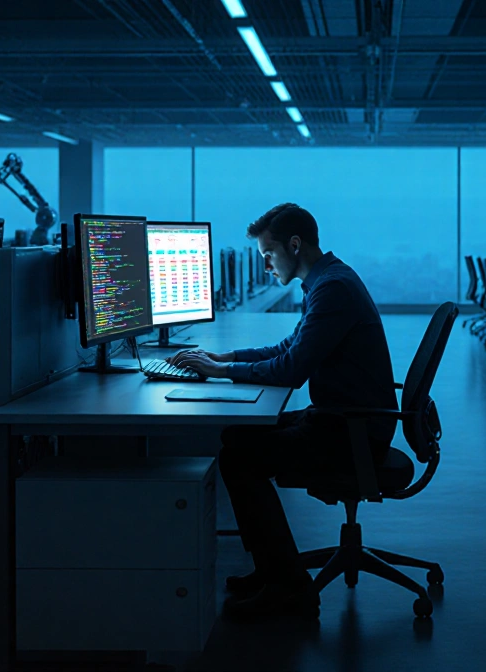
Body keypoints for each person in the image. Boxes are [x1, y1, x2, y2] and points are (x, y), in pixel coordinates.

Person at [170, 203, 397, 621]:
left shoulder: (332, 289)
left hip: (352, 431)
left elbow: (291, 369)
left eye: (268, 254)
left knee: (241, 458)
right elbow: (287, 348)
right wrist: (228, 356)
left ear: (294, 245)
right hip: (343, 417)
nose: (267, 266)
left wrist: (222, 371)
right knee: (236, 439)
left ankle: (290, 588)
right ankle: (271, 571)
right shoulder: (327, 281)